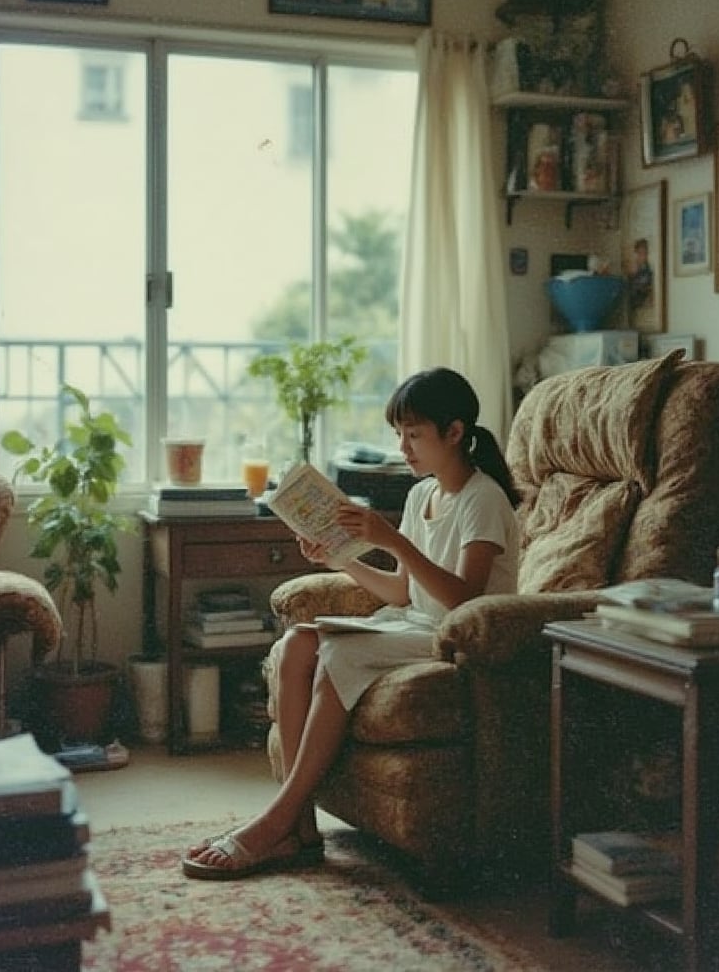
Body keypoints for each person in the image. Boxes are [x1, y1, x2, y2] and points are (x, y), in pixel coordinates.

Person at [183, 366, 520, 880]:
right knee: (298, 643)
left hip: (456, 637)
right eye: (398, 434)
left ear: (455, 433)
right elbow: (403, 591)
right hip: (412, 622)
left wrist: (393, 541)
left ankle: (275, 822)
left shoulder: (484, 499)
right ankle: (301, 829)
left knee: (338, 651)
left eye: (414, 434)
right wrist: (341, 561)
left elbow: (464, 600)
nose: (403, 447)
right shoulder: (420, 495)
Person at [628, 237, 653, 310]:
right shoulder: (633, 266)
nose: (642, 256)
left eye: (644, 253)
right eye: (639, 253)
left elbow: (646, 288)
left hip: (642, 305)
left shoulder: (648, 270)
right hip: (632, 305)